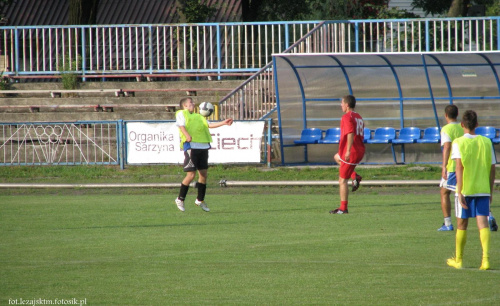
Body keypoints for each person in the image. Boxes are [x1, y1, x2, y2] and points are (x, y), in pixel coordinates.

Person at [446, 110, 495, 270]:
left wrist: (459, 191)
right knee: (483, 224)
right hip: (483, 188)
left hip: (466, 189)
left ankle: (459, 260)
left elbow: (459, 167)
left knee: (461, 224)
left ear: (462, 125)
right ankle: (485, 260)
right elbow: (492, 168)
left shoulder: (459, 142)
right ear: (477, 125)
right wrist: (490, 191)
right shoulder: (487, 142)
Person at [174, 97, 233, 212]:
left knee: (203, 174)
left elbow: (209, 125)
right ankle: (180, 199)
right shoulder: (181, 113)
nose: (193, 104)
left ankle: (200, 200)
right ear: (185, 105)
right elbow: (181, 126)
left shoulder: (199, 116)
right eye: (191, 102)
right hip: (191, 146)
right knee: (191, 175)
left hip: (203, 146)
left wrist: (224, 123)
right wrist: (187, 135)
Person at [330, 95, 365, 214]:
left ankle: (343, 208)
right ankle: (354, 175)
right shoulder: (358, 116)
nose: (341, 105)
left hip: (352, 151)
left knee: (342, 180)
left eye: (342, 103)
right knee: (336, 157)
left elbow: (350, 133)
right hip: (359, 149)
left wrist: (348, 150)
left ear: (347, 105)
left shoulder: (346, 117)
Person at [438, 105, 463, 231]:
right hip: (465, 164)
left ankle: (447, 224)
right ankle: (489, 217)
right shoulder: (462, 127)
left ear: (446, 115)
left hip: (453, 166)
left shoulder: (446, 129)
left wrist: (444, 166)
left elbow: (447, 146)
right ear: (457, 115)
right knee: (469, 193)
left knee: (444, 192)